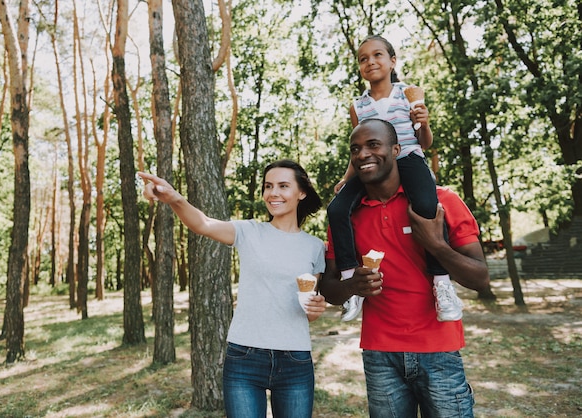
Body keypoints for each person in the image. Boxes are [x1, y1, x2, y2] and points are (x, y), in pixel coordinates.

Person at [319, 118, 490, 417]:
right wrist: (352, 286)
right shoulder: (345, 217)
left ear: (396, 149)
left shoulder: (441, 202)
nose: (362, 154)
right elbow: (331, 289)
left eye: (373, 145)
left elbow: (480, 278)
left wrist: (437, 245)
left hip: (439, 350)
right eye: (355, 149)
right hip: (380, 353)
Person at [138, 159, 327, 418]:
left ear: (301, 192)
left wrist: (316, 308)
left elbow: (309, 311)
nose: (273, 193)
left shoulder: (314, 247)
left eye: (283, 186)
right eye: (268, 186)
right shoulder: (248, 231)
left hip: (295, 360)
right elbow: (202, 224)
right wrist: (174, 198)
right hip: (245, 358)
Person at [328, 35, 463, 322]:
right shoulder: (358, 106)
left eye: (377, 55)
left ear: (392, 61)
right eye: (363, 59)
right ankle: (353, 283)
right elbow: (360, 148)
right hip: (374, 166)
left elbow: (423, 142)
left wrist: (424, 123)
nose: (370, 62)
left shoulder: (409, 94)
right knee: (336, 208)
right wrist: (346, 178)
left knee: (426, 206)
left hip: (408, 158)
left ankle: (441, 284)